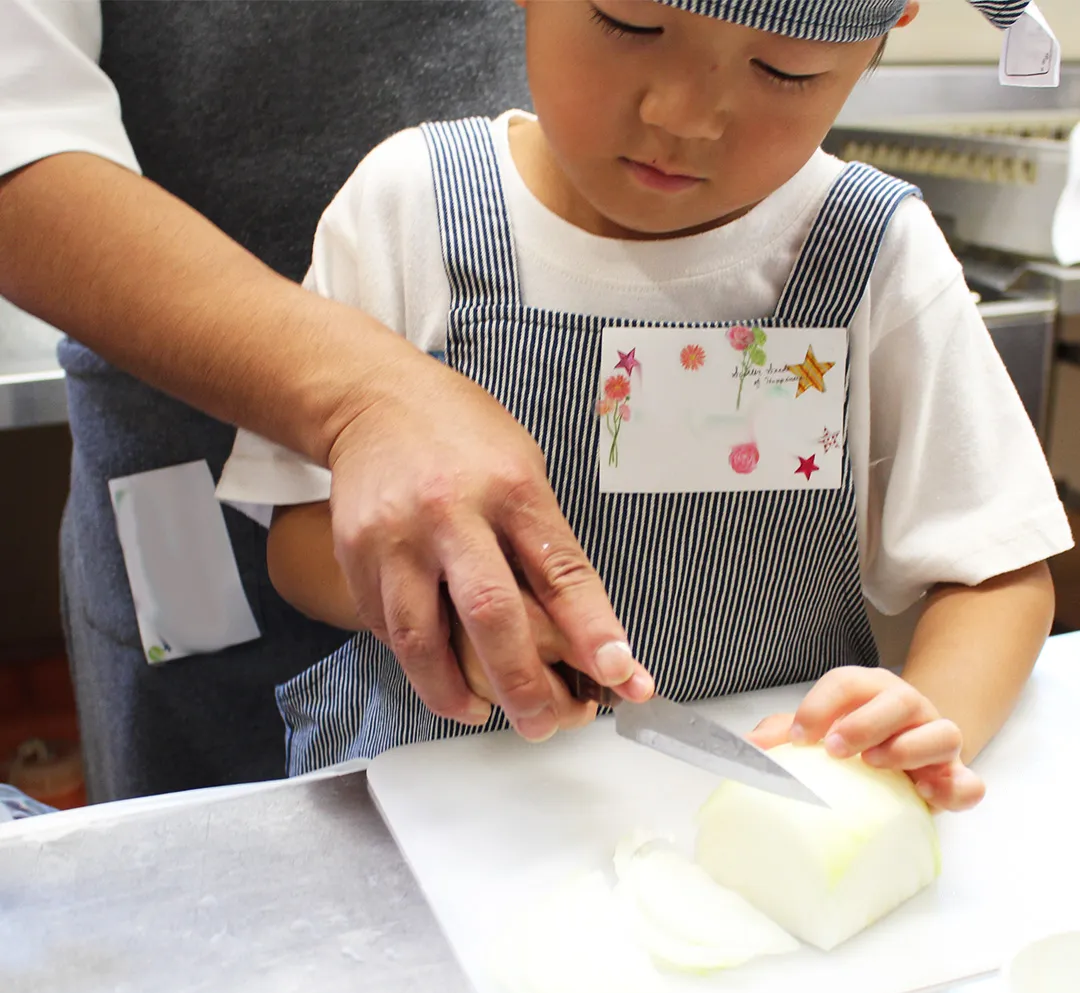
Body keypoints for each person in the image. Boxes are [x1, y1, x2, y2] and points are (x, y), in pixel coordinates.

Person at [217, 0, 1072, 812]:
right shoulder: (414, 207)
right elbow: (298, 534)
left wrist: (925, 721)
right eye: (629, 24)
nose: (685, 115)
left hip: (750, 822)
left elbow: (996, 569)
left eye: (783, 69)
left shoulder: (870, 255)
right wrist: (449, 606)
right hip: (437, 808)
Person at [0, 0, 647, 802]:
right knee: (212, 841)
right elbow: (17, 140)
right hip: (186, 483)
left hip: (507, 525)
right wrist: (370, 397)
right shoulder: (398, 193)